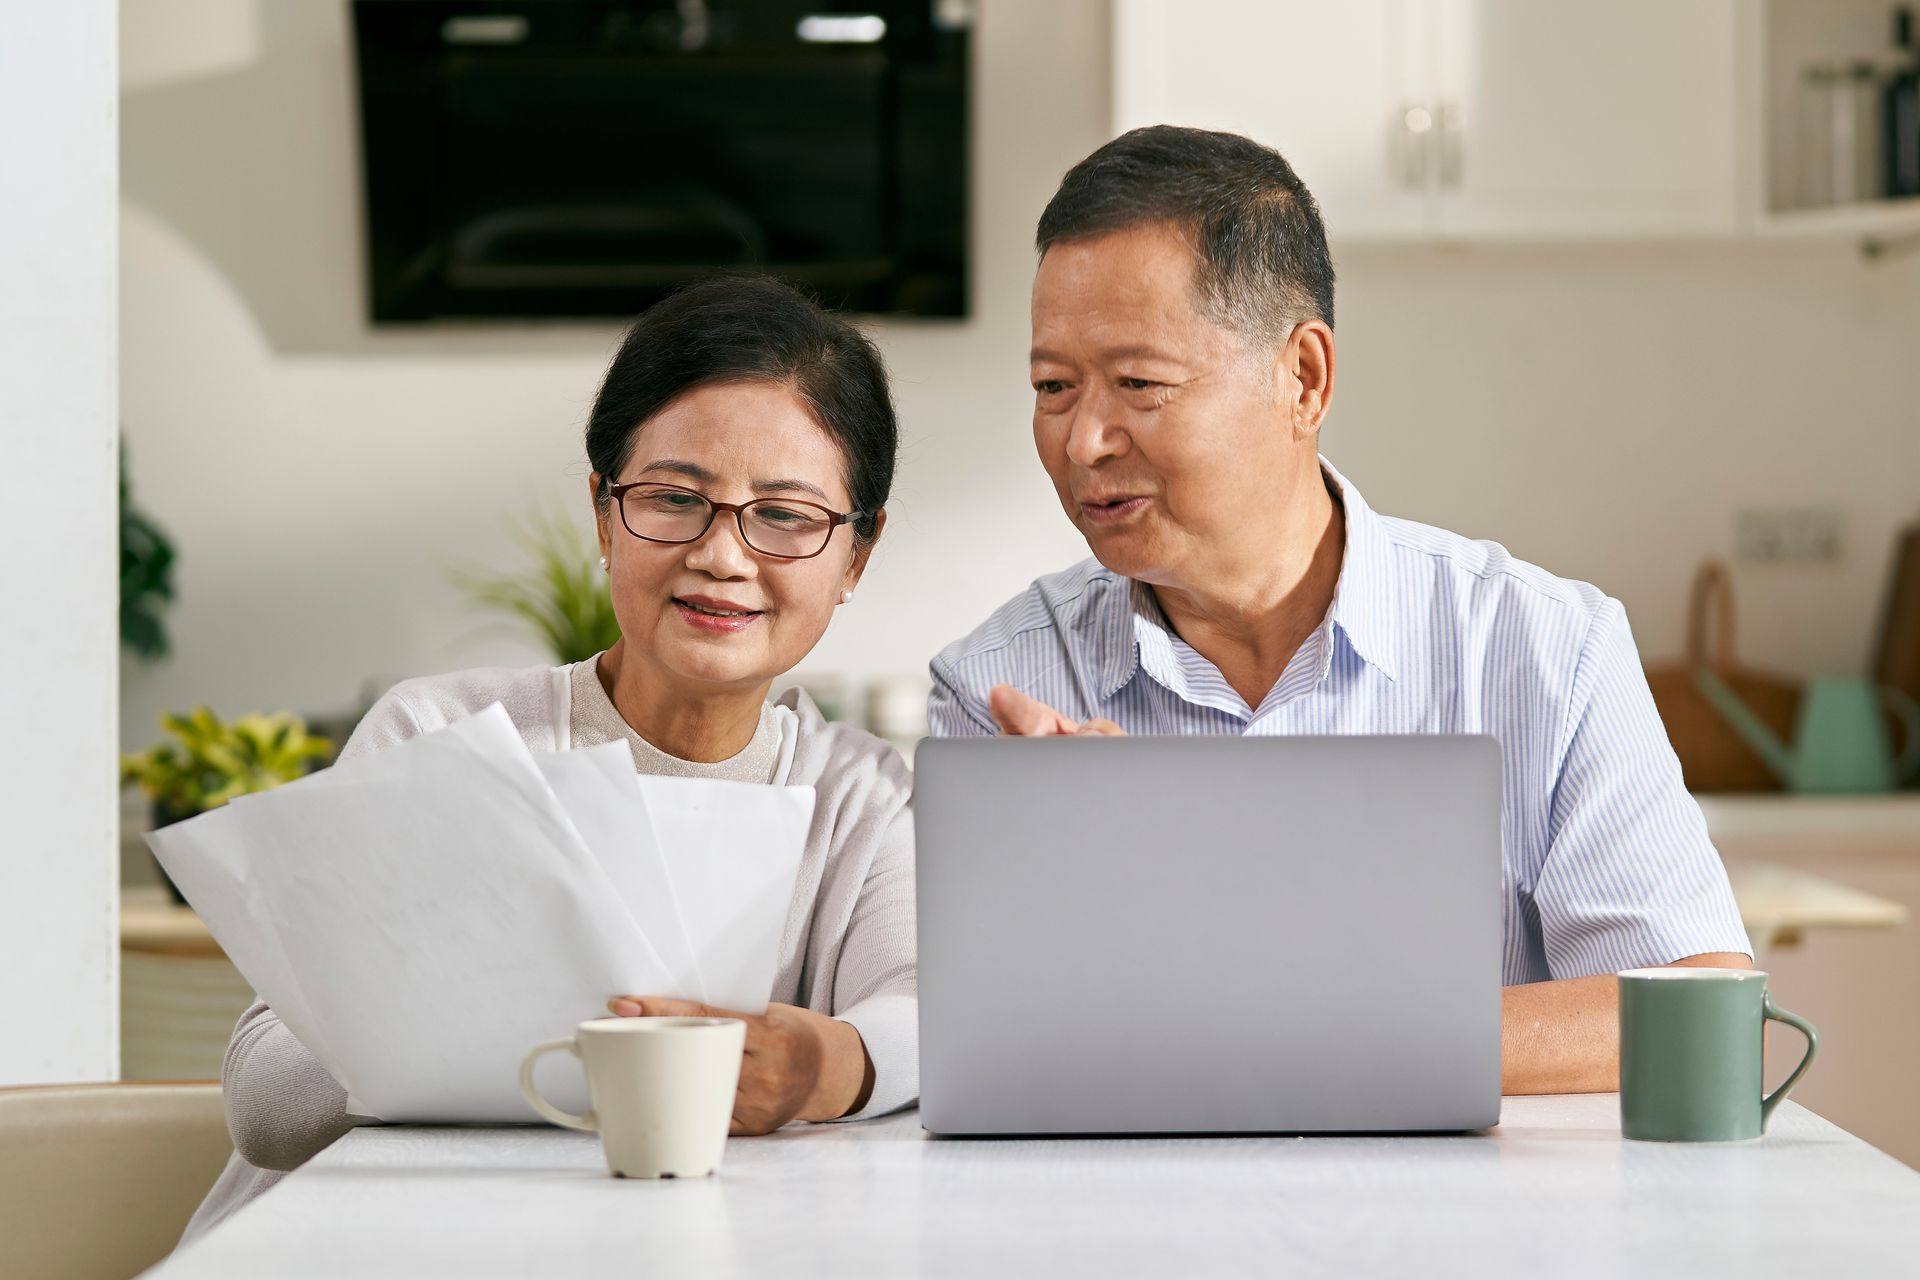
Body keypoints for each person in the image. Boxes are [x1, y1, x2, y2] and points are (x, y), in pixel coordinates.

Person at [928, 125, 1751, 1094]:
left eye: (1139, 383)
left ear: (1304, 377)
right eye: (1052, 387)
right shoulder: (1001, 686)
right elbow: (986, 1049)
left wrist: (1288, 1024)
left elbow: (1694, 1009)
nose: (1084, 440)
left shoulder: (1542, 646)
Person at [186, 275, 917, 1239]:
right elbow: (266, 1101)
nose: (723, 556)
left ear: (856, 555)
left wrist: (817, 1066)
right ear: (604, 514)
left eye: (784, 515)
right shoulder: (438, 737)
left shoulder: (867, 797)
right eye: (673, 499)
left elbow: (919, 1017)